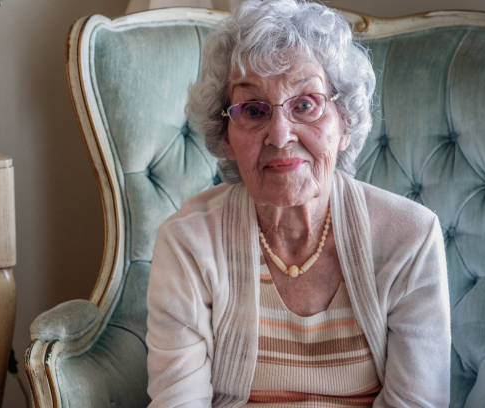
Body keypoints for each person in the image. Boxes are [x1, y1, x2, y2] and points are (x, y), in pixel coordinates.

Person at [146, 0, 450, 406]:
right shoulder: (188, 242)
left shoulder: (410, 237)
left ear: (344, 121)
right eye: (253, 110)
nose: (280, 134)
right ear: (226, 135)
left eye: (305, 104)